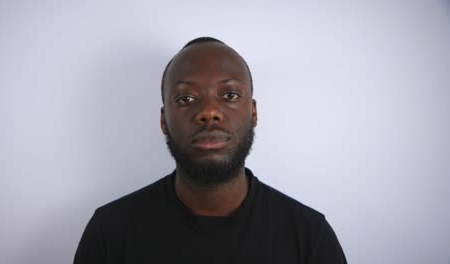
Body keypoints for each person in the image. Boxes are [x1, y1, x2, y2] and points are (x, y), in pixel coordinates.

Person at [74, 37, 347, 264]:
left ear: (253, 113)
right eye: (186, 98)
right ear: (163, 121)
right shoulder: (109, 232)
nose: (209, 112)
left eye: (229, 95)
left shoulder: (310, 236)